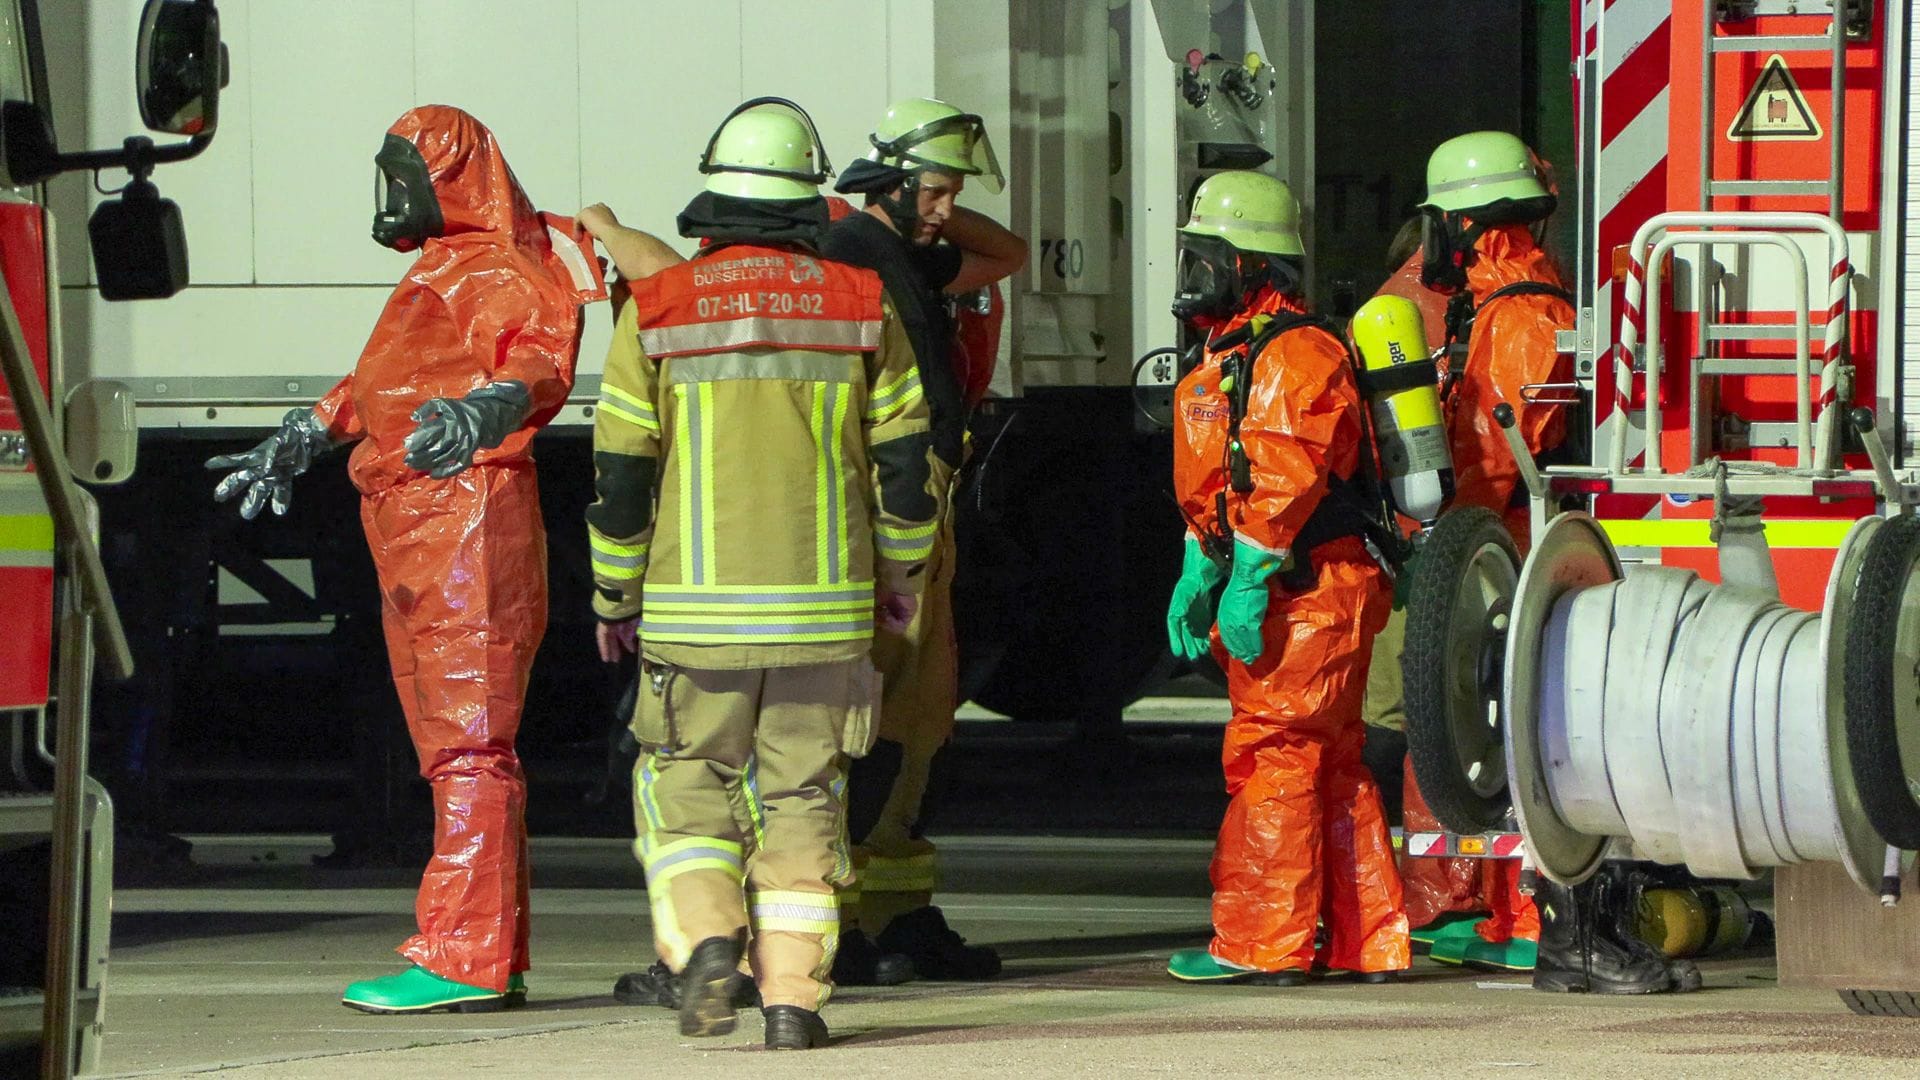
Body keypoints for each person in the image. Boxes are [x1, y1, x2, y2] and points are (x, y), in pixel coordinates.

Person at [206, 105, 603, 1013]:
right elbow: (380, 382)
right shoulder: (445, 269)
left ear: (447, 179)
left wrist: (489, 411)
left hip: (466, 519)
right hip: (419, 518)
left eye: (401, 175)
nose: (389, 197)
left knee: (467, 744)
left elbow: (542, 357)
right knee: (455, 745)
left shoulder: (501, 268)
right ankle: (486, 951)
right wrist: (301, 437)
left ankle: (461, 958)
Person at [587, 97, 944, 1049]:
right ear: (805, 205)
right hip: (826, 615)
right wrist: (902, 574)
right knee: (804, 800)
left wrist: (614, 595)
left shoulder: (655, 312)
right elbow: (906, 465)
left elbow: (621, 475)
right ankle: (793, 1002)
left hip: (692, 617)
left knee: (689, 785)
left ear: (714, 199)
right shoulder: (862, 309)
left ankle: (708, 940)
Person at [1396, 131, 1695, 993]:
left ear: (1471, 225)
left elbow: (1501, 462)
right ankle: (1558, 935)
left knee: (1546, 748)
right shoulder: (1505, 308)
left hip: (1517, 567)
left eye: (1440, 226)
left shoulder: (1520, 318)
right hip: (1506, 564)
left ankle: (1568, 936)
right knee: (1532, 743)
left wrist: (1453, 551)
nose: (1431, 245)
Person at [1161, 170, 1409, 985]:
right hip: (1303, 585)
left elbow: (1282, 474)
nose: (1192, 274)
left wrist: (1249, 573)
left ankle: (1263, 942)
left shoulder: (1293, 353)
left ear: (1252, 265)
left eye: (1207, 256)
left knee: (1276, 755)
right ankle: (1361, 938)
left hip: (1310, 588)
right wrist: (1202, 561)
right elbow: (1227, 478)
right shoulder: (1236, 356)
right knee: (1326, 762)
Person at [817, 96, 1026, 984]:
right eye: (934, 192)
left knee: (922, 720)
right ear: (890, 183)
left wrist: (925, 194)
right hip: (884, 516)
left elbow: (1004, 255)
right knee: (871, 724)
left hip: (927, 511)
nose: (946, 212)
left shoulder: (903, 251)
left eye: (949, 195)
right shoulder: (847, 253)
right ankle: (842, 922)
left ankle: (899, 915)